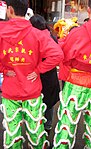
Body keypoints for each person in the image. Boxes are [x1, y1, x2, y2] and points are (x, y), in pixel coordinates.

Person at [0, 0, 63, 149]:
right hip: (32, 90)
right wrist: (38, 70)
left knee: (12, 132)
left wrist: (3, 68)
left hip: (10, 90)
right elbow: (57, 54)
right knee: (36, 132)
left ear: (9, 10)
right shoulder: (37, 33)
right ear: (27, 10)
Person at [53, 0, 91, 149]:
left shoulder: (77, 32)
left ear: (88, 10)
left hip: (75, 84)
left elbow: (64, 55)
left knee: (67, 124)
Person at [30, 14, 60, 132]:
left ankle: (41, 127)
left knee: (41, 102)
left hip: (42, 76)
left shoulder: (39, 38)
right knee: (49, 102)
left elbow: (57, 56)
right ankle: (47, 125)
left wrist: (38, 69)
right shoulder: (50, 36)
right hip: (50, 76)